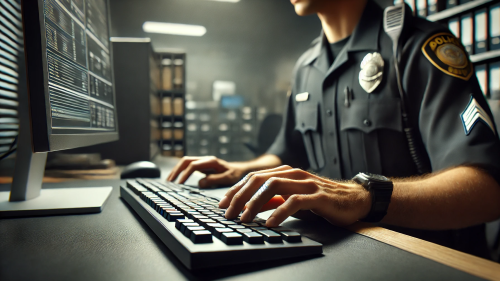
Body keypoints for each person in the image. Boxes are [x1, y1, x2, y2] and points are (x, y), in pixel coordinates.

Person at [168, 0, 500, 258]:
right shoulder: (306, 67)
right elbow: (287, 154)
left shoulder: (417, 47)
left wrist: (363, 196)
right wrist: (239, 169)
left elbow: (487, 191)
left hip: (425, 259)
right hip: (339, 252)